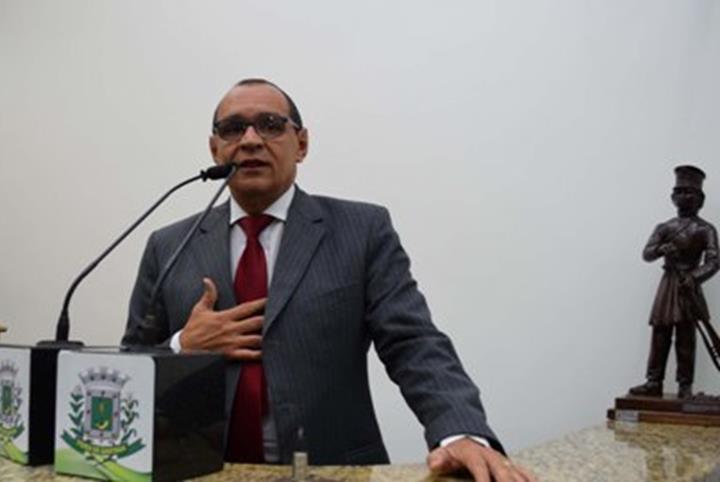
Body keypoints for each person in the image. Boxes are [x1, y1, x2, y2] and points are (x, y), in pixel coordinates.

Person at [123, 78, 534, 481]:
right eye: (233, 128)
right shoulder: (169, 244)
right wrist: (182, 346)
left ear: (301, 144)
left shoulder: (361, 230)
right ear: (215, 149)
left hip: (333, 469)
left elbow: (413, 342)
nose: (249, 140)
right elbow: (129, 364)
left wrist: (459, 431)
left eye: (269, 124)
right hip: (198, 472)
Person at [629, 165, 719, 399]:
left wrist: (694, 276)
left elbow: (713, 262)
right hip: (668, 285)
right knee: (660, 334)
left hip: (688, 286)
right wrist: (661, 249)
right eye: (679, 191)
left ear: (700, 199)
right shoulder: (664, 227)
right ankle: (653, 381)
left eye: (689, 192)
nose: (683, 196)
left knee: (686, 337)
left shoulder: (706, 229)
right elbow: (647, 253)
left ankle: (685, 385)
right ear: (672, 197)